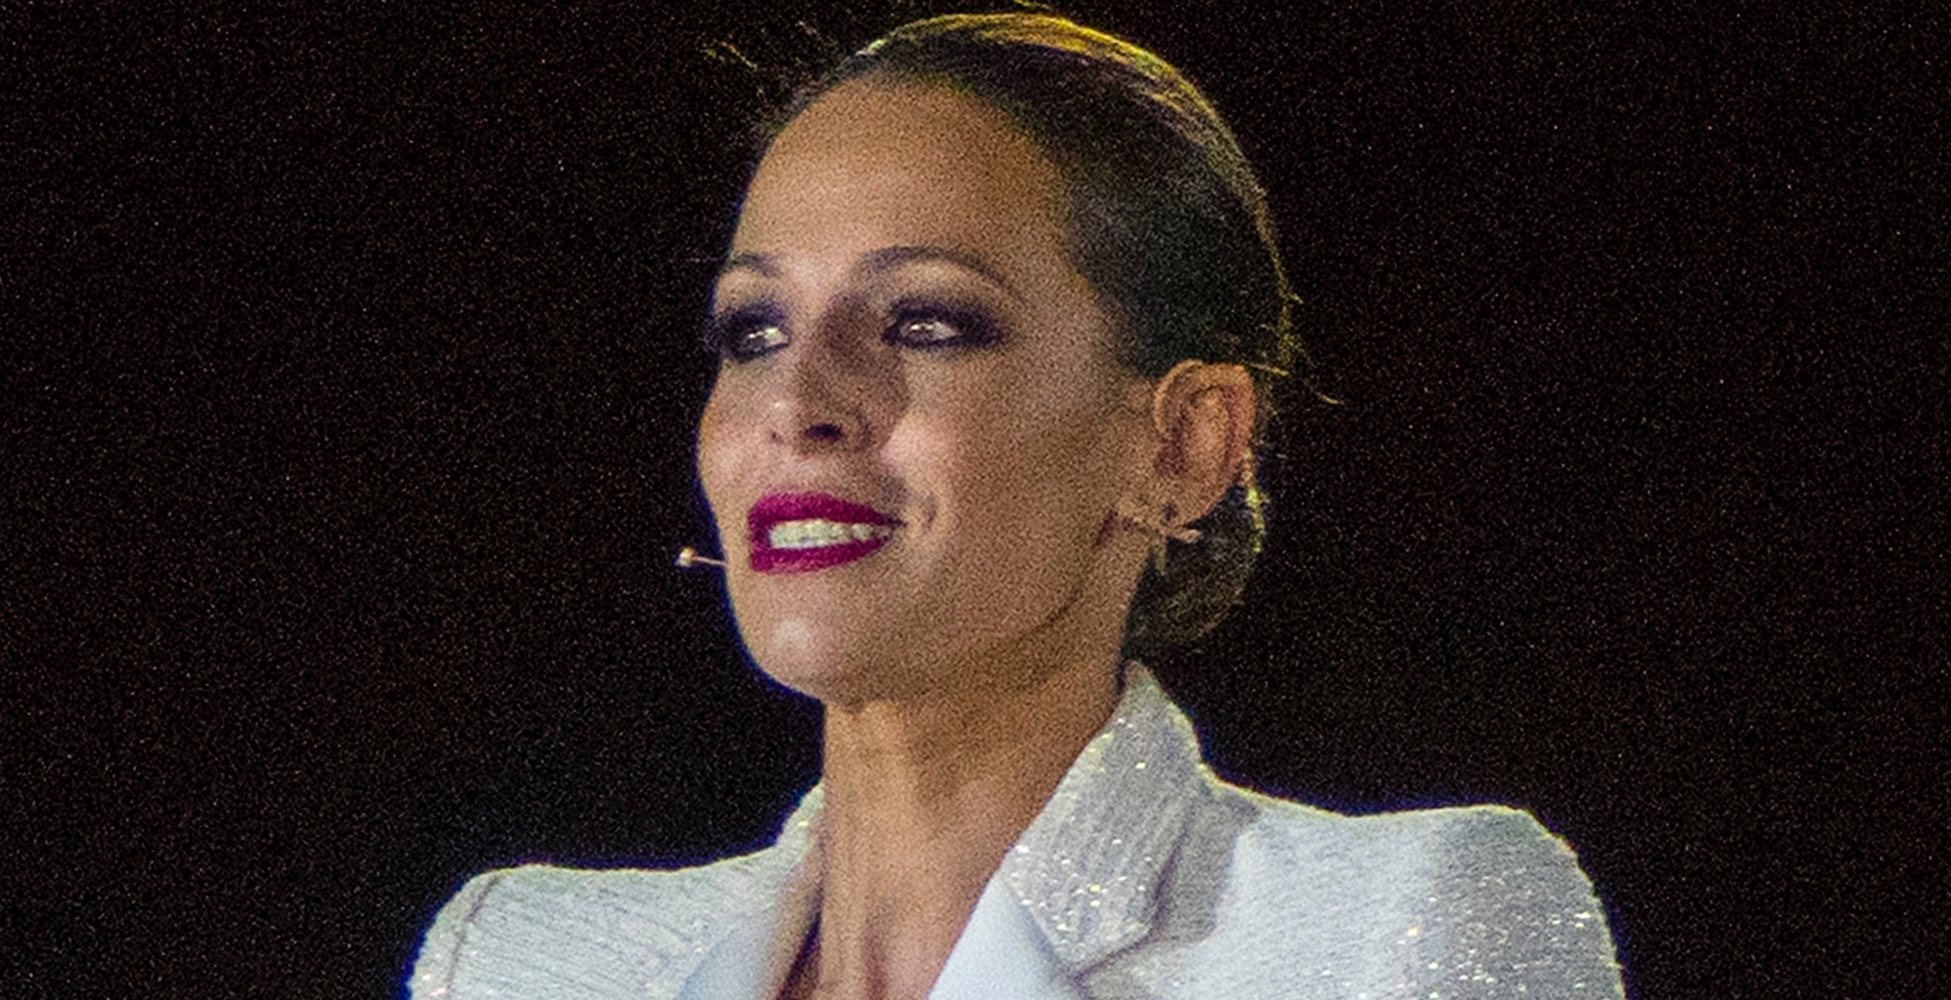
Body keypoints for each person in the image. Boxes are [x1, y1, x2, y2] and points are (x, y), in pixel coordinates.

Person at [408, 13, 1625, 999]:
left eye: (925, 322)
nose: (795, 402)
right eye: (753, 328)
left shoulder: (1391, 932)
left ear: (1186, 444)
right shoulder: (520, 959)